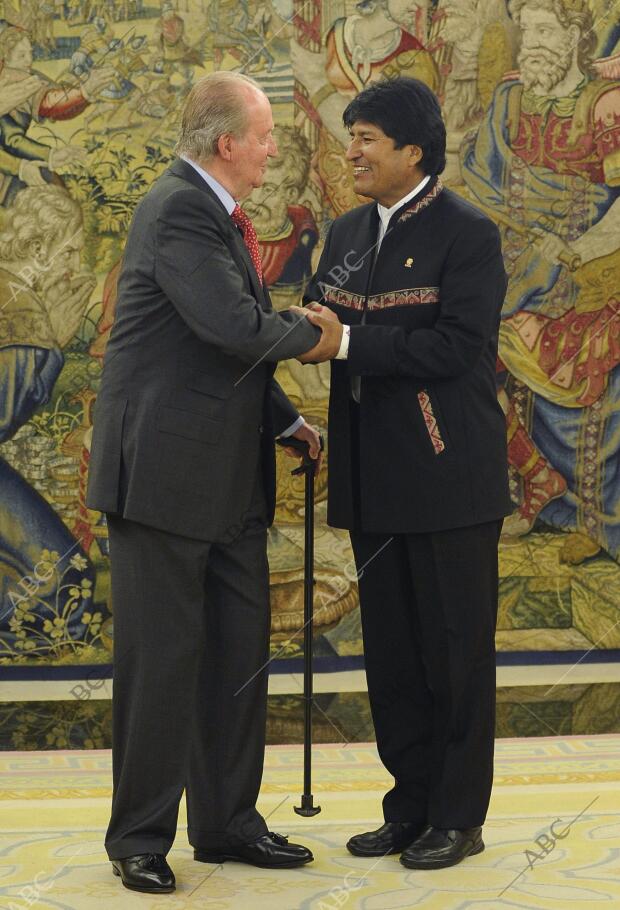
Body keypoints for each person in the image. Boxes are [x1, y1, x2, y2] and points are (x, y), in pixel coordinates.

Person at [86, 71, 330, 894]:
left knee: (236, 656)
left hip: (224, 482)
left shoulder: (217, 215)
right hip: (162, 479)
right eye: (264, 136)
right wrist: (318, 337)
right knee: (162, 663)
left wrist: (286, 423)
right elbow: (232, 325)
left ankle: (226, 824)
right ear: (227, 143)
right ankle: (140, 840)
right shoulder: (179, 208)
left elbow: (226, 352)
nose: (271, 151)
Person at [295, 76, 511, 869]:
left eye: (368, 138)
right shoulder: (347, 230)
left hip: (449, 478)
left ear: (413, 151)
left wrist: (348, 344)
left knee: (455, 654)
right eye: (350, 135)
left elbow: (457, 350)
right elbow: (318, 317)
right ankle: (409, 805)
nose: (351, 150)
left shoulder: (468, 235)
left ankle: (458, 816)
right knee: (391, 656)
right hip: (370, 476)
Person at [460, 0, 620, 565]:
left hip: (588, 271)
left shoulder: (606, 107)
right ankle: (536, 479)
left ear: (577, 36)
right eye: (527, 30)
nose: (531, 42)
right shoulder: (509, 99)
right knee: (462, 352)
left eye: (546, 29)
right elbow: (481, 182)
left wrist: (573, 250)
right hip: (512, 266)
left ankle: (586, 514)